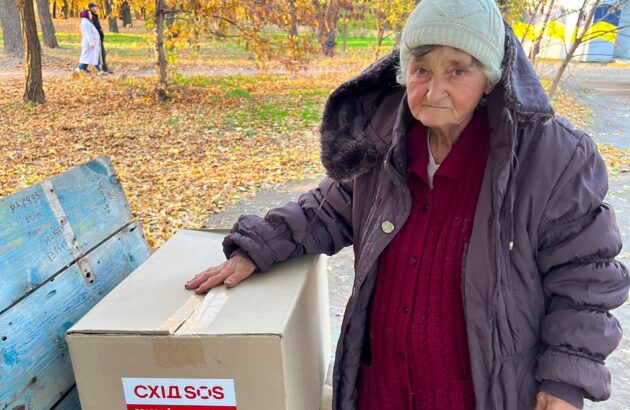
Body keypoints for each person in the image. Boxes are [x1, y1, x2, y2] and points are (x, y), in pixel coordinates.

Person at [185, 0, 630, 409]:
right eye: (421, 69)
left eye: (458, 70)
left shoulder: (550, 157)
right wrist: (258, 246)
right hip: (383, 390)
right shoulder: (383, 144)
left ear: (491, 79)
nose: (433, 90)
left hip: (483, 392)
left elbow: (585, 278)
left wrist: (565, 380)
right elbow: (326, 209)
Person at [75, 10, 106, 75]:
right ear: (86, 15)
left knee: (91, 57)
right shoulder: (85, 23)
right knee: (87, 58)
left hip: (91, 43)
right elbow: (88, 33)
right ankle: (78, 69)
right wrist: (91, 43)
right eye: (90, 14)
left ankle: (99, 71)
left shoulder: (87, 22)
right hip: (89, 44)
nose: (91, 15)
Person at [87, 2, 112, 74]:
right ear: (91, 8)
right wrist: (99, 34)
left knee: (99, 54)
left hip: (98, 37)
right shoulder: (91, 16)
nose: (96, 8)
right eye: (95, 7)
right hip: (96, 38)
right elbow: (93, 28)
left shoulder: (94, 16)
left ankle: (102, 69)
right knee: (101, 54)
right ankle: (103, 69)